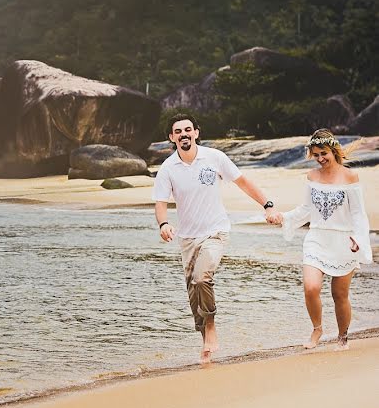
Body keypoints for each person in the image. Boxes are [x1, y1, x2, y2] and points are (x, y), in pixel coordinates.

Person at [153, 114, 281, 363]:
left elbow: (243, 182)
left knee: (203, 278)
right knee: (193, 294)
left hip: (216, 231)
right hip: (188, 239)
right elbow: (160, 204)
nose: (184, 134)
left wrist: (267, 205)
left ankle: (211, 325)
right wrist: (164, 223)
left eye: (188, 129)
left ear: (197, 133)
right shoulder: (167, 168)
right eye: (178, 131)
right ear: (171, 137)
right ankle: (205, 343)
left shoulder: (215, 158)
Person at [271, 129, 372, 351]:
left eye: (323, 153)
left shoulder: (350, 176)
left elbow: (358, 213)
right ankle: (317, 329)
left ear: (334, 150)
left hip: (344, 240)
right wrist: (284, 218)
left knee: (339, 294)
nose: (320, 159)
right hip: (317, 237)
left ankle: (343, 337)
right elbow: (306, 209)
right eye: (315, 154)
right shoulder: (312, 176)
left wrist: (359, 238)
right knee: (311, 287)